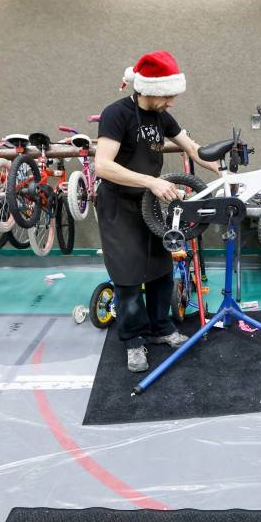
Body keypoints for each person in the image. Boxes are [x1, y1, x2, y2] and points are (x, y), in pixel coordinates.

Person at [94, 50, 220, 372]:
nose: (171, 103)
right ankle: (133, 340)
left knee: (161, 269)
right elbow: (103, 166)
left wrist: (221, 170)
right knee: (129, 276)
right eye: (168, 97)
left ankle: (160, 328)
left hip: (150, 206)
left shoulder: (162, 117)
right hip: (119, 206)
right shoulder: (116, 114)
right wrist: (151, 181)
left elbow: (191, 147)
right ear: (149, 89)